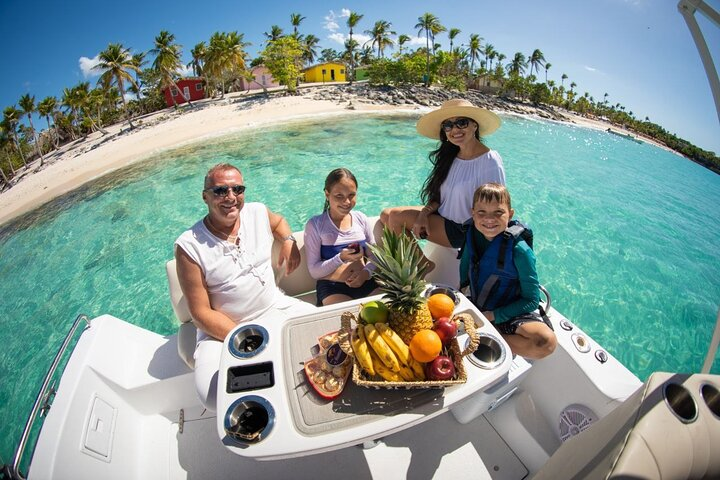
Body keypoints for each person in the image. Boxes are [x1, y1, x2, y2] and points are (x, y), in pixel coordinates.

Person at [175, 163, 315, 412]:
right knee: (213, 395)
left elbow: (279, 221)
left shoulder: (256, 212)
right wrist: (247, 337)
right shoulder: (189, 247)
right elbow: (200, 313)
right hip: (222, 331)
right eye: (220, 191)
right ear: (205, 196)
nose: (230, 197)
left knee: (328, 340)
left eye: (237, 189)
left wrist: (289, 240)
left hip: (275, 306)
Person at [381, 98, 506, 252]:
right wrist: (424, 214)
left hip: (462, 230)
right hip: (442, 216)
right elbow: (441, 198)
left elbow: (497, 207)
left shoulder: (490, 161)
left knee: (395, 217)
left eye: (462, 122)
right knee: (385, 215)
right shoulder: (452, 156)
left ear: (475, 125)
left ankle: (423, 266)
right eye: (448, 125)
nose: (455, 130)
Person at [460, 183, 556, 359]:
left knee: (545, 342)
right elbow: (466, 264)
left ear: (510, 214)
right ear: (473, 213)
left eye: (498, 212)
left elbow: (532, 300)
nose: (489, 219)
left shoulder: (521, 252)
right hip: (477, 302)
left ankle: (493, 338)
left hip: (509, 311)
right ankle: (488, 334)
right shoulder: (472, 234)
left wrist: (492, 316)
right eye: (482, 212)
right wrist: (460, 295)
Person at [304, 168, 378, 305]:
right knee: (349, 323)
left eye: (351, 195)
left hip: (366, 281)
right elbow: (314, 271)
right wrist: (341, 258)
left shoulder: (361, 219)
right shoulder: (315, 224)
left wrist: (366, 273)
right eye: (339, 196)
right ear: (327, 194)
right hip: (333, 287)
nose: (347, 202)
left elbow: (374, 256)